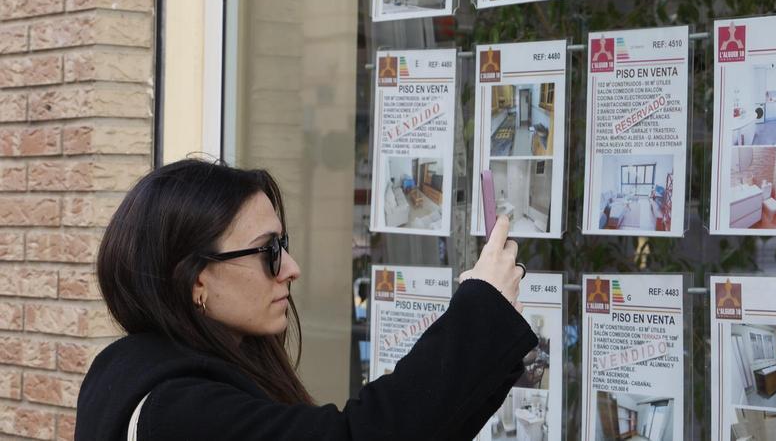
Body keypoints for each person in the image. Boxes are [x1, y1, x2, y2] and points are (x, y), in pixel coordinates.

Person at [77, 158, 534, 440]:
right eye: (268, 251)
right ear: (198, 281)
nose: (291, 268)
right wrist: (482, 309)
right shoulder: (177, 414)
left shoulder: (133, 371)